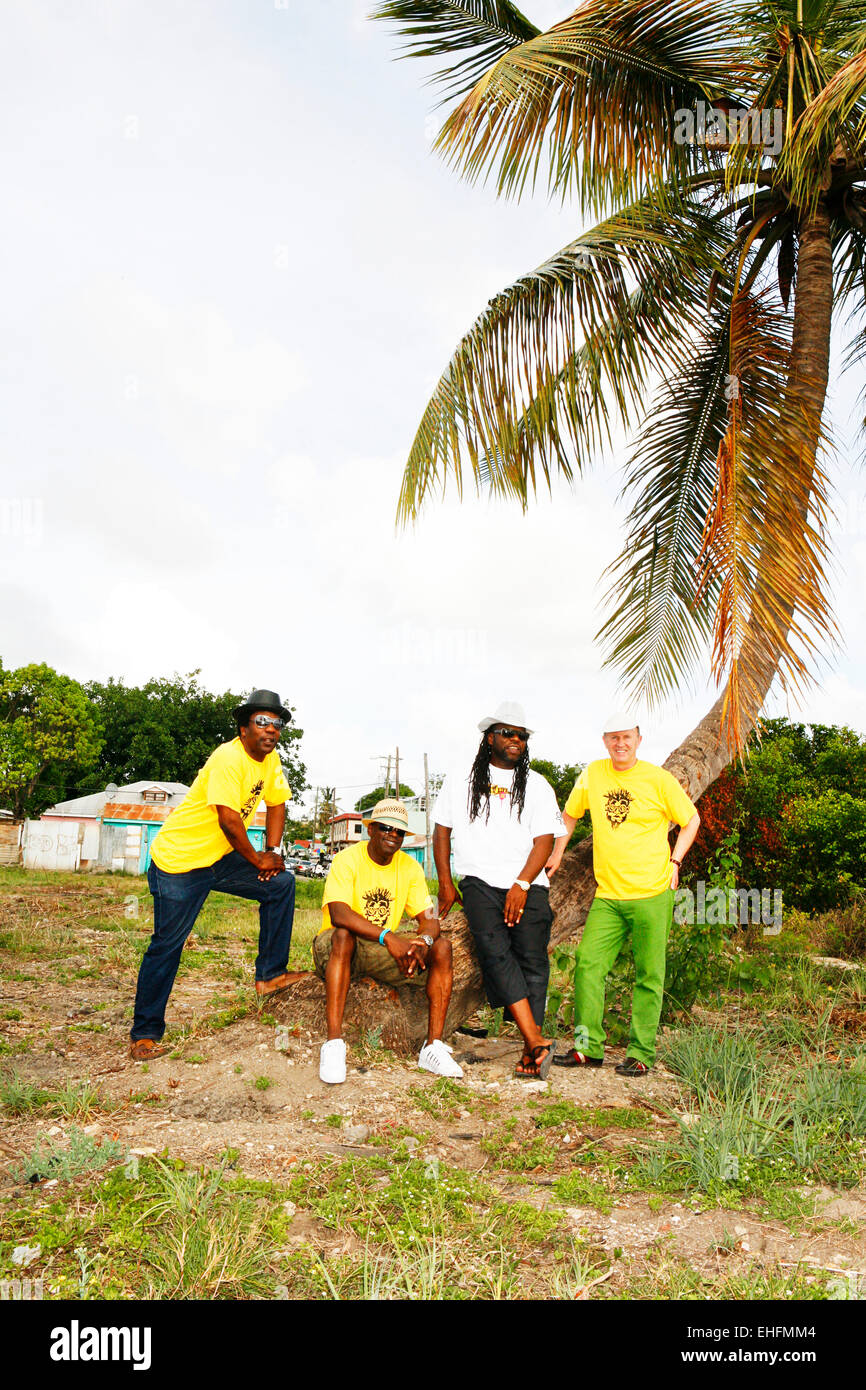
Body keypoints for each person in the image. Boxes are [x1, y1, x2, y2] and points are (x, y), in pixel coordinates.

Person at [128, 689, 302, 1062]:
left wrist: (272, 852)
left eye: (277, 724)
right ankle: (145, 1033)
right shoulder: (228, 757)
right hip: (179, 862)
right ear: (243, 730)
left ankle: (270, 975)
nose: (271, 730)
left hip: (218, 858)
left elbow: (277, 802)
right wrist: (257, 860)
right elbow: (228, 819)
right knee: (168, 945)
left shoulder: (270, 762)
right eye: (261, 722)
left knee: (281, 885)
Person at [547, 714, 700, 1076]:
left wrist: (676, 860)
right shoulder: (594, 774)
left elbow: (690, 819)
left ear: (638, 739)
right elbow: (569, 816)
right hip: (609, 897)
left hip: (652, 893)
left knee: (649, 974)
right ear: (605, 741)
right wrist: (557, 852)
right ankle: (588, 1047)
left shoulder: (658, 779)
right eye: (614, 737)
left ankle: (641, 1053)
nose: (621, 743)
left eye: (627, 737)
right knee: (587, 965)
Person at [433, 702, 564, 1080]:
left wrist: (522, 884)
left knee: (533, 962)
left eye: (522, 736)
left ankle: (531, 1049)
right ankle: (537, 1041)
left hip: (528, 883)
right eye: (508, 733)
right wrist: (445, 883)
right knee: (495, 954)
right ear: (490, 737)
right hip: (480, 883)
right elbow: (442, 830)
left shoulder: (537, 785)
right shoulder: (461, 780)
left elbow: (544, 842)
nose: (516, 741)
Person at [314, 798, 463, 1085]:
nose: (392, 836)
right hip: (335, 947)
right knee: (344, 935)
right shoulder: (347, 859)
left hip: (378, 950)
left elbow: (430, 917)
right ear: (371, 829)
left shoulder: (409, 868)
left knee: (442, 947)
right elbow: (339, 913)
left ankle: (432, 1047)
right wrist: (387, 936)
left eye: (399, 832)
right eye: (385, 828)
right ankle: (333, 1044)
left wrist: (424, 941)